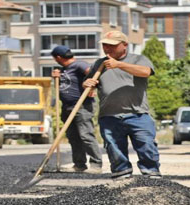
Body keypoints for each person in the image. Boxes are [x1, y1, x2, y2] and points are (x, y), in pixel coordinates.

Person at [82, 30, 160, 180]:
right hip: (109, 116)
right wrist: (87, 84)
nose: (107, 49)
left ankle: (152, 176)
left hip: (138, 114)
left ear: (125, 45)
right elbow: (89, 84)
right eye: (105, 45)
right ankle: (121, 177)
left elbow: (145, 72)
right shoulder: (99, 64)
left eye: (112, 45)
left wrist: (119, 65)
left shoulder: (138, 59)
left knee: (147, 146)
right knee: (114, 149)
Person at [50, 45, 102, 173]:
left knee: (85, 135)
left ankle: (96, 164)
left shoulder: (79, 65)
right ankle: (79, 164)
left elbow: (94, 75)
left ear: (58, 57)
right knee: (73, 137)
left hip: (81, 106)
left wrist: (92, 87)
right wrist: (56, 77)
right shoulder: (64, 69)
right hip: (67, 107)